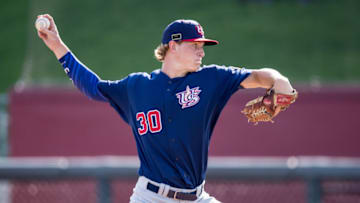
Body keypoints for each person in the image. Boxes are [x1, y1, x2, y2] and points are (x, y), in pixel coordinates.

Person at [37, 14, 296, 203]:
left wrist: (279, 80)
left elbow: (259, 76)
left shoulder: (212, 79)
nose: (201, 52)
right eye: (194, 45)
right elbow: (93, 87)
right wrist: (58, 47)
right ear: (173, 46)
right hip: (151, 197)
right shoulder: (136, 86)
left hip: (197, 197)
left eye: (202, 46)